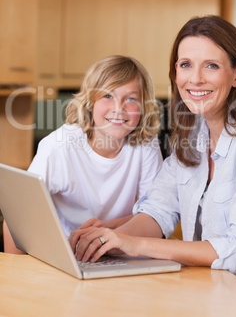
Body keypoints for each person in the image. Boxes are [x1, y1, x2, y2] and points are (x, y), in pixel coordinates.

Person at [69, 16, 236, 295]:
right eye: (186, 65)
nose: (195, 78)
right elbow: (158, 209)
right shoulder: (192, 130)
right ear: (175, 71)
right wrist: (111, 240)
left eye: (211, 66)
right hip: (204, 298)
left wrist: (135, 245)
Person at [4, 55, 163, 253]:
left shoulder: (145, 144)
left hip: (120, 252)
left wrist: (109, 227)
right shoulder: (59, 147)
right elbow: (18, 213)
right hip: (66, 254)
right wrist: (18, 273)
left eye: (131, 99)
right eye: (107, 96)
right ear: (90, 102)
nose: (118, 108)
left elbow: (155, 213)